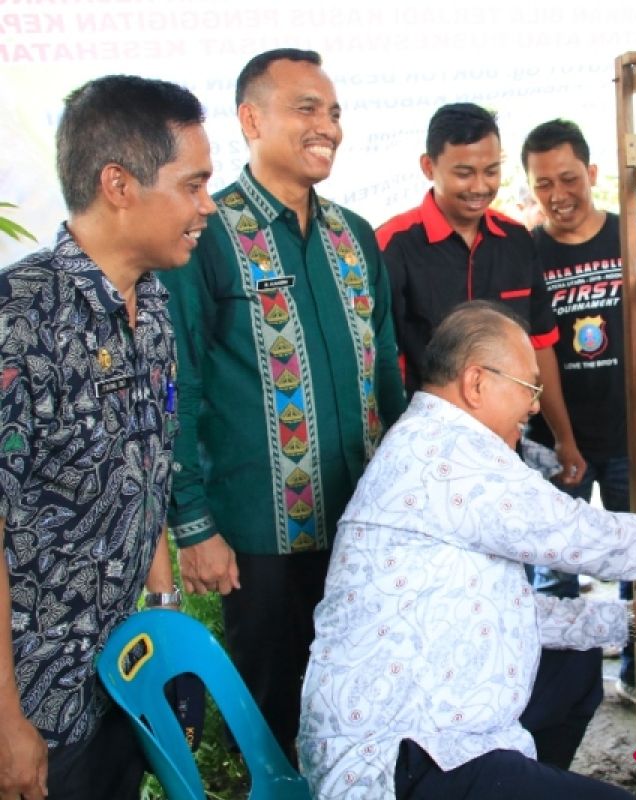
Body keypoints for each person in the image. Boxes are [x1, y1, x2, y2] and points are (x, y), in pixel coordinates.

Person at [297, 301, 636, 799]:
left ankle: (522, 779)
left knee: (573, 668)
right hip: (398, 755)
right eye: (530, 388)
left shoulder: (437, 437)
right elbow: (586, 538)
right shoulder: (449, 457)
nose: (535, 406)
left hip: (433, 715)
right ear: (476, 384)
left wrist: (622, 618)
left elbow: (500, 607)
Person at [159, 48, 406, 763]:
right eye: (307, 107)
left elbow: (385, 373)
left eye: (333, 112)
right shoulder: (207, 233)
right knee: (272, 713)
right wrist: (193, 521)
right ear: (251, 118)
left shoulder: (355, 237)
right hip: (258, 537)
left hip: (363, 526)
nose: (327, 124)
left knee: (363, 698)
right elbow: (180, 381)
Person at [0, 75, 215, 800]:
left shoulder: (152, 306)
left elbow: (144, 470)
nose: (206, 207)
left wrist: (165, 623)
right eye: (192, 186)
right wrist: (7, 723)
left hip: (118, 686)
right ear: (119, 183)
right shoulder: (18, 320)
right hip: (34, 708)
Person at [521, 119, 636, 728]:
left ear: (592, 174)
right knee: (553, 572)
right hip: (555, 444)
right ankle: (559, 690)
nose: (558, 194)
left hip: (633, 436)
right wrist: (560, 438)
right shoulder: (528, 252)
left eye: (569, 178)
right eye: (543, 183)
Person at [376, 102, 586, 485]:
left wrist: (563, 437)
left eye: (491, 171)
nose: (480, 186)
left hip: (506, 451)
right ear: (428, 167)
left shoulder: (517, 241)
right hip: (425, 458)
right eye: (464, 173)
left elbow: (540, 346)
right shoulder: (392, 245)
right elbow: (379, 364)